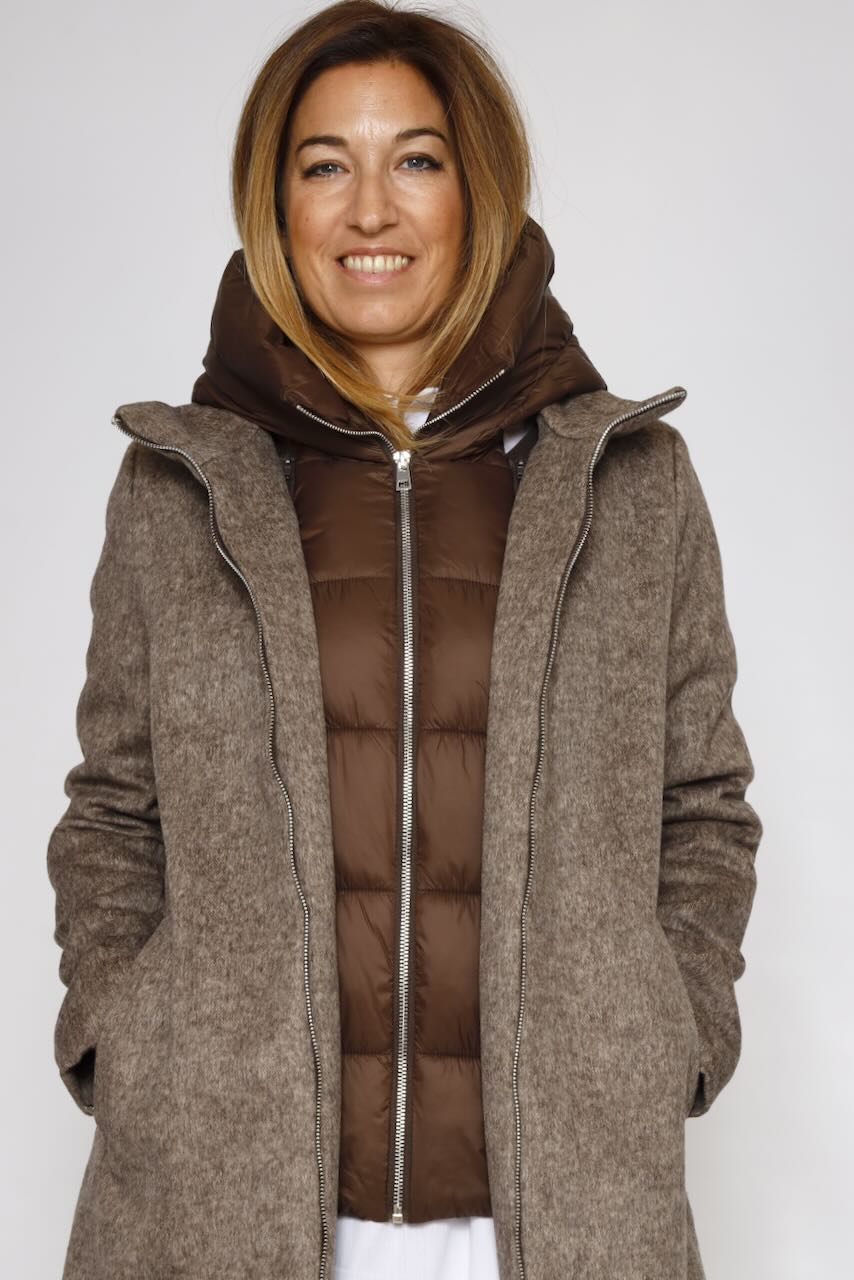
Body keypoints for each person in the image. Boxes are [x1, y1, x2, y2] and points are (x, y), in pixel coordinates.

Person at [46, 3, 763, 1278]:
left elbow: (700, 804)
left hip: (558, 1207)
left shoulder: (630, 481)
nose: (369, 208)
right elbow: (113, 809)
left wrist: (672, 1028)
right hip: (223, 1196)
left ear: (477, 189)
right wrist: (129, 1034)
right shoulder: (177, 486)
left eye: (415, 159)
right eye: (324, 164)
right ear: (274, 205)